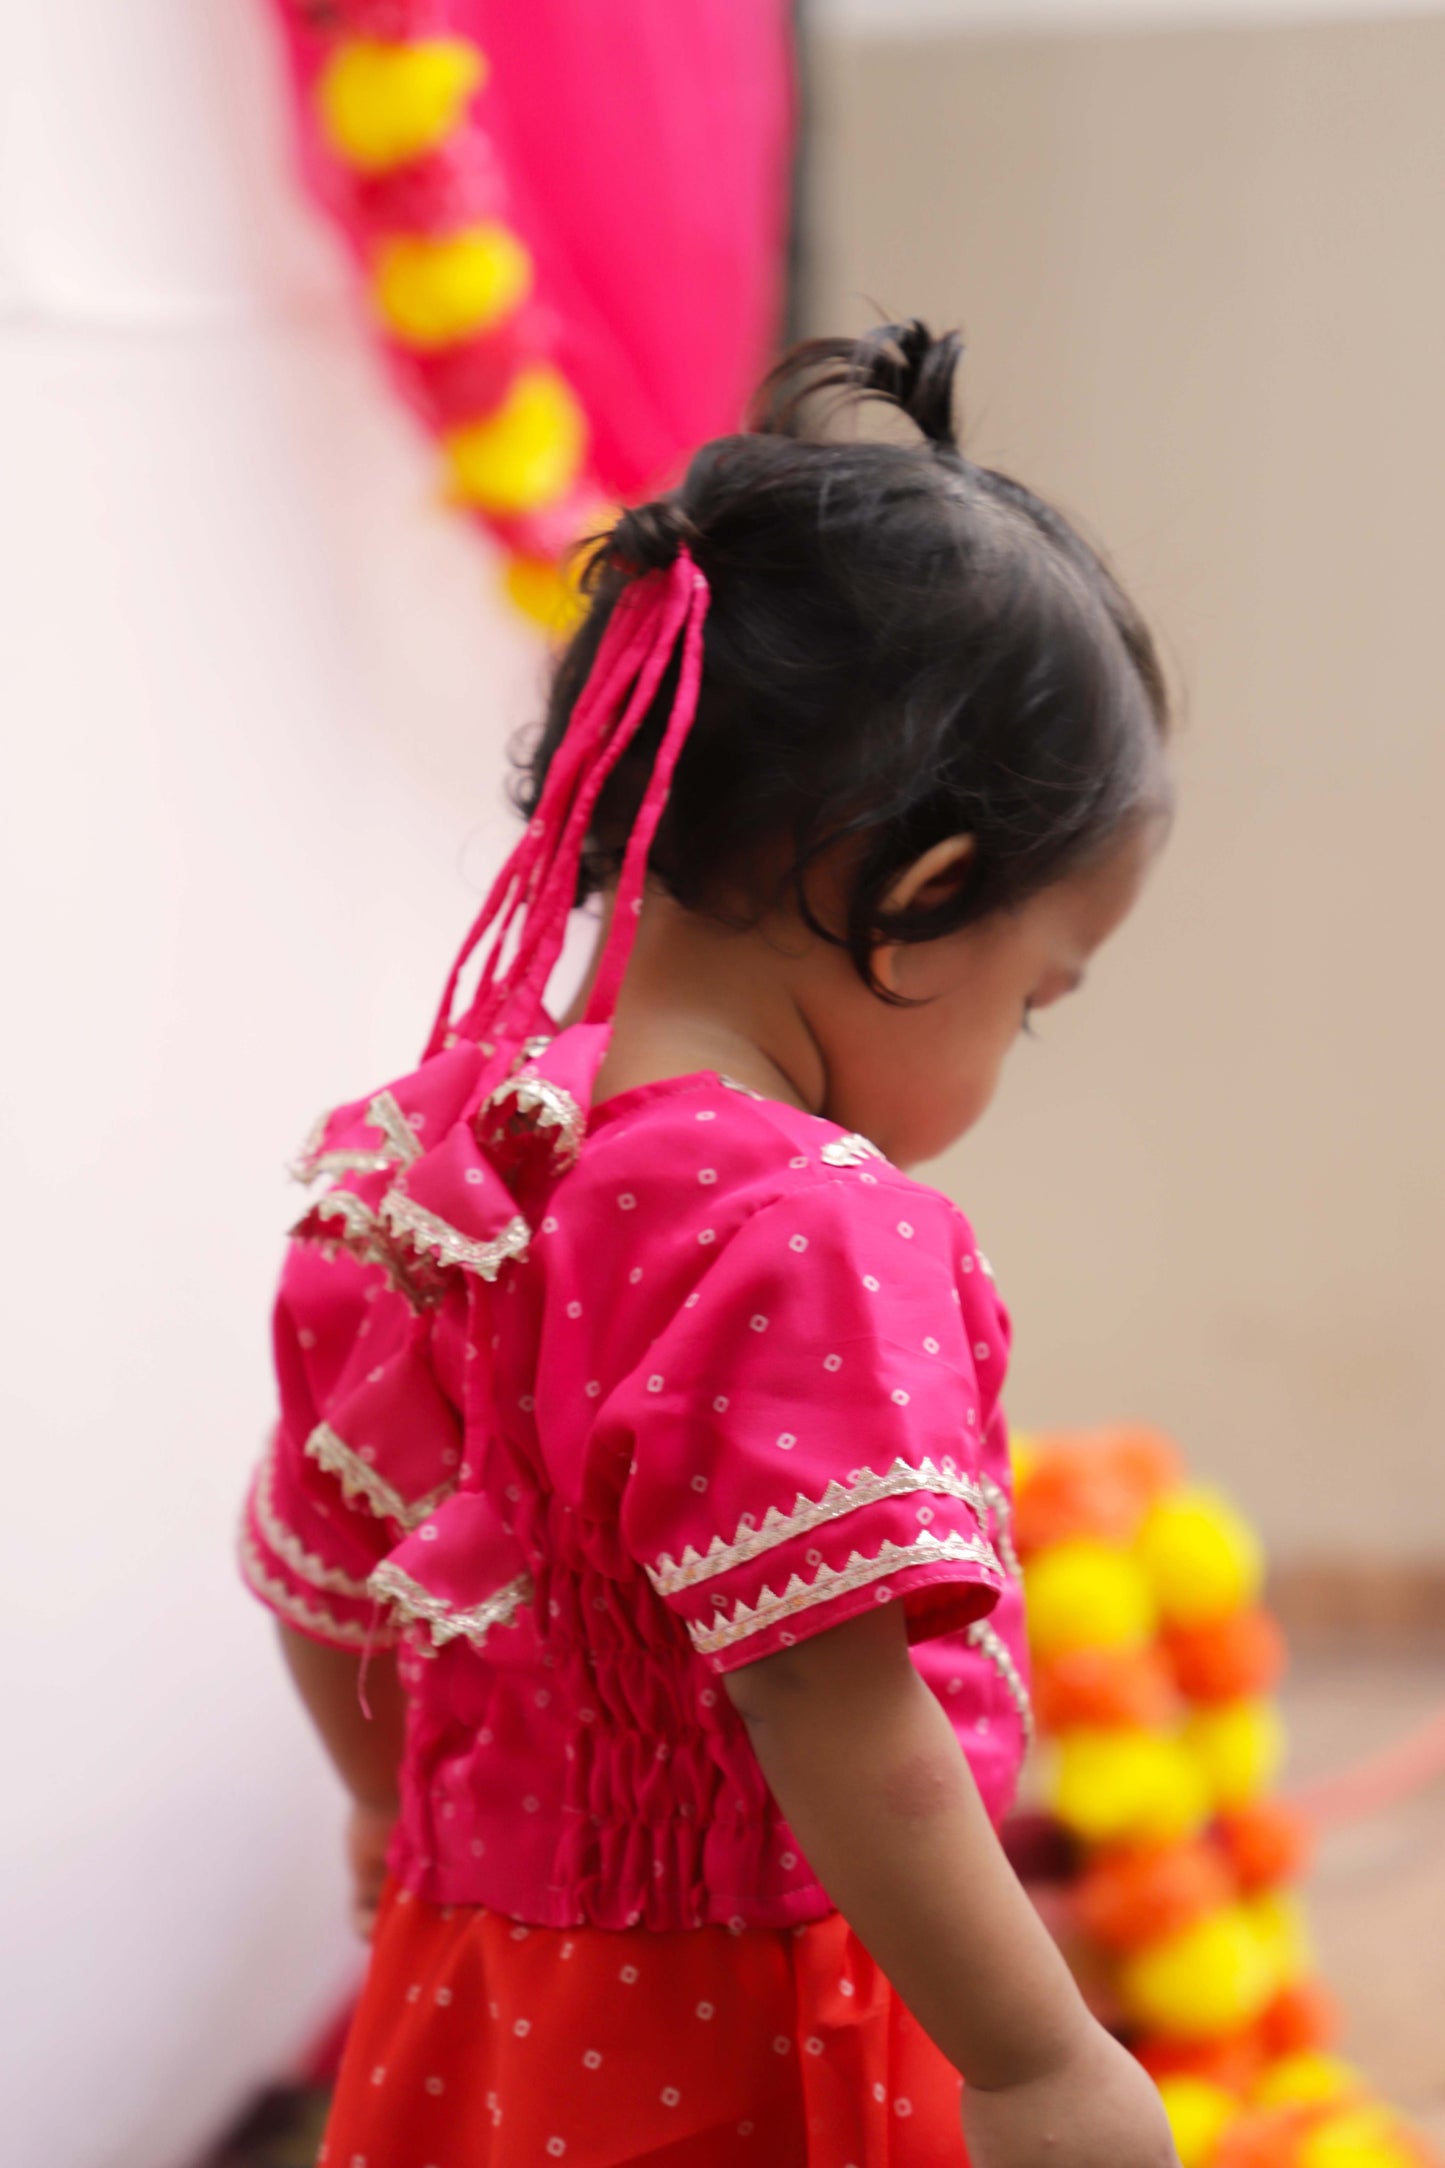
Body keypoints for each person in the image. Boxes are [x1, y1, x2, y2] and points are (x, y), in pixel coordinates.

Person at [241, 321, 1180, 2166]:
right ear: (919, 907)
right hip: (741, 2006)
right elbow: (829, 1696)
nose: (1016, 1044)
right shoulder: (798, 1231)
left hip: (477, 1989)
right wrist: (1033, 2058)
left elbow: (312, 1568)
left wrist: (393, 1812)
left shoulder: (440, 1182)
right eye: (1036, 994)